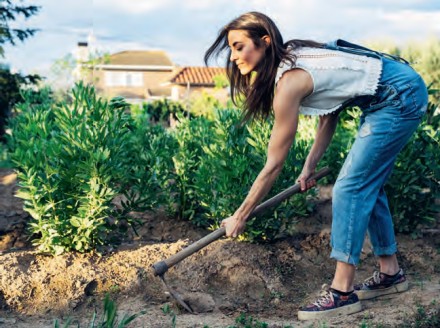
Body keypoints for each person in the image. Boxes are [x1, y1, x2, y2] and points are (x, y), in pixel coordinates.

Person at [204, 12, 428, 321]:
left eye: (239, 46)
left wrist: (240, 216)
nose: (234, 56)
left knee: (351, 187)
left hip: (398, 97)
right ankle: (390, 273)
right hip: (390, 94)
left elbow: (273, 164)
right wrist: (309, 167)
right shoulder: (293, 60)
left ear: (265, 42)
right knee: (366, 184)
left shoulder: (289, 82)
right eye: (231, 48)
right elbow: (329, 113)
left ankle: (342, 292)